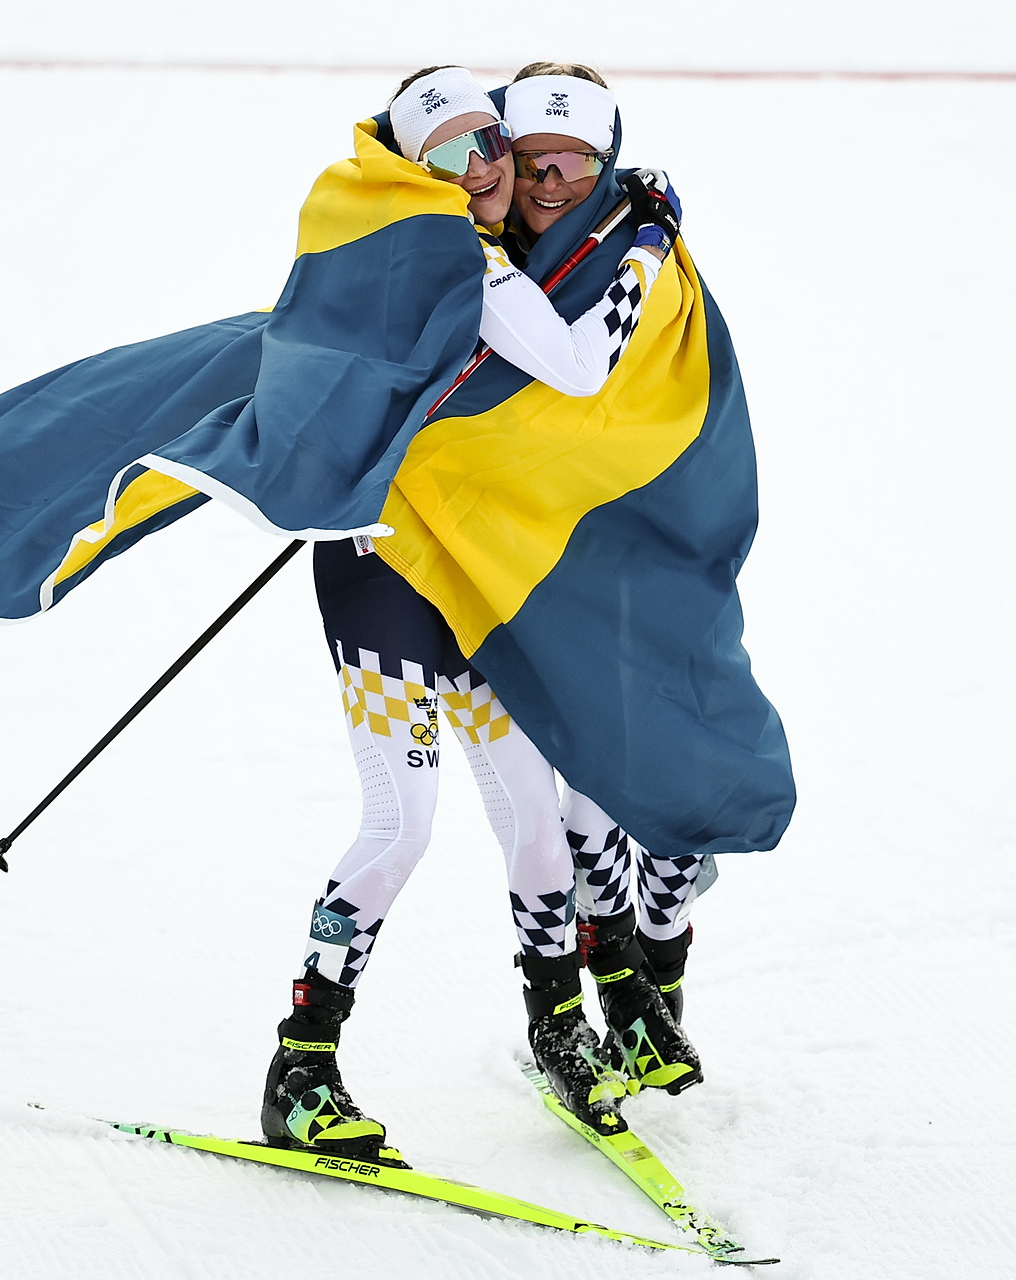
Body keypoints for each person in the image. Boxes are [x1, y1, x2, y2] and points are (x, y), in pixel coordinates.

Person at [259, 66, 683, 1161]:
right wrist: (642, 243)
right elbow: (586, 364)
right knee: (401, 822)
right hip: (385, 577)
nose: (485, 166)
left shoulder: (465, 248)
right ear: (416, 172)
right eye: (450, 155)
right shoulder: (459, 258)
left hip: (468, 575)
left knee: (533, 818)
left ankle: (556, 1030)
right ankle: (300, 1064)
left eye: (489, 138)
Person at [494, 62, 711, 1099]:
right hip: (507, 559)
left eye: (572, 160)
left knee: (620, 785)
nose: (549, 180)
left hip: (615, 546)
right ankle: (578, 1012)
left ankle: (649, 985)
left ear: (604, 157)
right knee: (549, 795)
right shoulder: (483, 239)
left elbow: (620, 368)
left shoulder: (633, 246)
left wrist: (653, 243)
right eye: (534, 159)